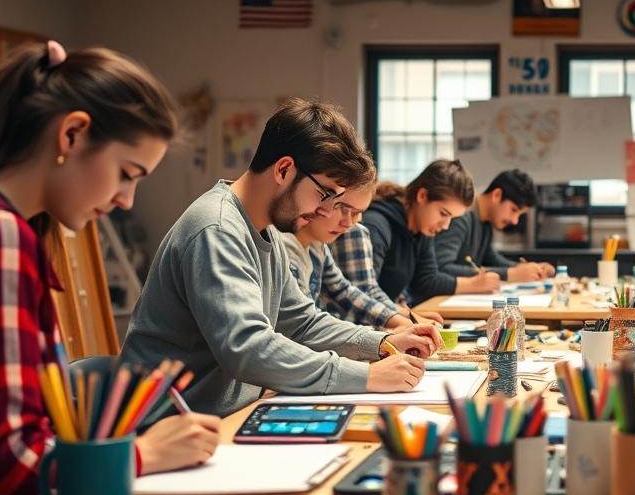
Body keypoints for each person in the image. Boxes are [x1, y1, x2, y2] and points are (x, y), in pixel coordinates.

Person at [0, 42, 221, 495]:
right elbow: (8, 474)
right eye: (126, 174)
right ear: (71, 133)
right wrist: (143, 453)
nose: (125, 200)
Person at [120, 99, 438, 417]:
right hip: (171, 430)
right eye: (325, 194)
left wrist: (382, 341)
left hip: (226, 417)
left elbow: (301, 322)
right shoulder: (216, 229)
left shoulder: (264, 229)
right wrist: (367, 376)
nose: (326, 211)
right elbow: (248, 349)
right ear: (284, 170)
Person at [278, 183, 433, 339]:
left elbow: (344, 290)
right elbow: (306, 326)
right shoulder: (287, 250)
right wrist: (382, 339)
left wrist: (398, 320)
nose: (349, 223)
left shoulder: (318, 246)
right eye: (342, 208)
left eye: (358, 213)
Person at [341, 159, 500, 308]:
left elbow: (426, 281)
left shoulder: (422, 230)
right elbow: (364, 295)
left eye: (452, 218)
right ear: (422, 196)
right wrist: (473, 284)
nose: (445, 226)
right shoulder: (377, 226)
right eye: (443, 214)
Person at [434, 169, 553, 284]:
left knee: (510, 304)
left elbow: (490, 258)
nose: (515, 220)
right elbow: (442, 268)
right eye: (513, 210)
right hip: (436, 301)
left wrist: (527, 269)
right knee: (508, 305)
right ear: (496, 195)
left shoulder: (485, 222)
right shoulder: (461, 216)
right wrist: (509, 274)